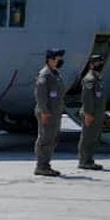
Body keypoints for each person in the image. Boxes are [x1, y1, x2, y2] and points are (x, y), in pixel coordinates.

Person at [35, 48, 67, 176]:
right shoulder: (45, 75)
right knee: (45, 138)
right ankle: (41, 166)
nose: (59, 61)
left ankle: (46, 164)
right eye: (57, 58)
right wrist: (44, 111)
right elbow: (40, 95)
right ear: (50, 59)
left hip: (54, 112)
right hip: (47, 112)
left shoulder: (55, 73)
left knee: (52, 138)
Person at [79, 54, 106, 171]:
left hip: (97, 113)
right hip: (90, 114)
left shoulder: (97, 78)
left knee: (93, 138)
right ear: (91, 64)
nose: (99, 65)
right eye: (96, 63)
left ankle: (89, 160)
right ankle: (84, 161)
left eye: (100, 63)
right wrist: (88, 113)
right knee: (87, 138)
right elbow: (87, 98)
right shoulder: (89, 79)